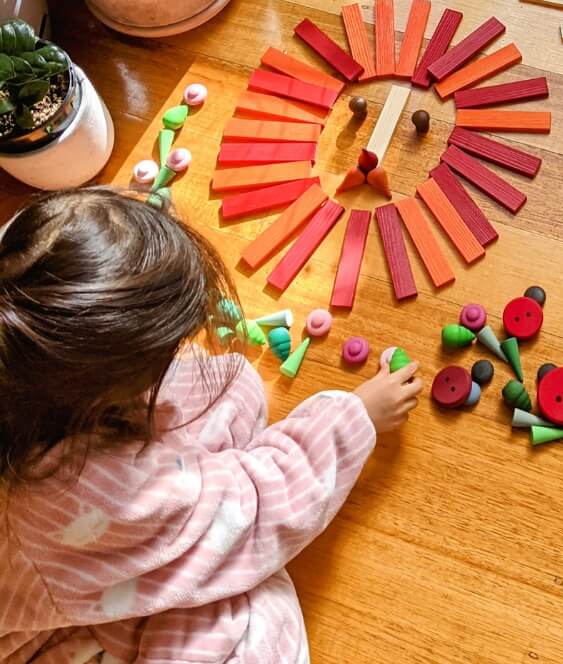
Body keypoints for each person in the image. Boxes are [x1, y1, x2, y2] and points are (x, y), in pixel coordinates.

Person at [0, 188, 421, 663]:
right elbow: (252, 513)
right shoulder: (85, 493)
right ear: (96, 399)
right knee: (248, 625)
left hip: (56, 557)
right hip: (42, 629)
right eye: (162, 358)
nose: (182, 353)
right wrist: (353, 417)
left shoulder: (15, 312)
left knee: (233, 389)